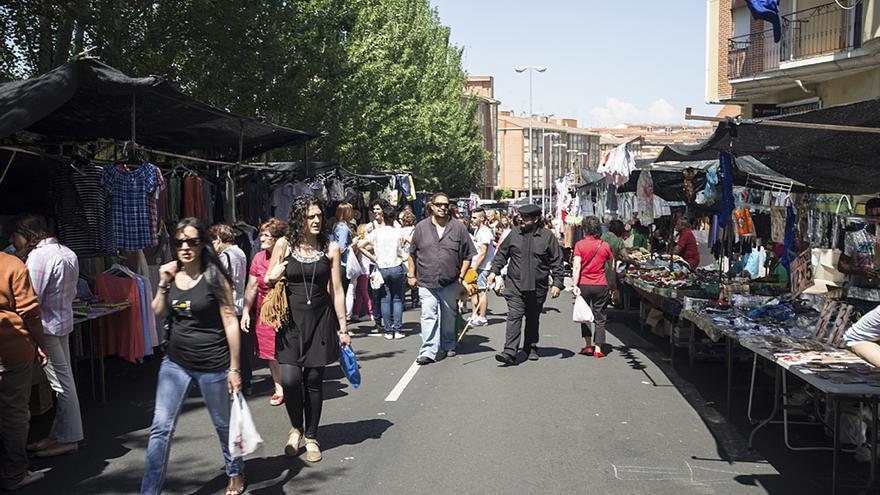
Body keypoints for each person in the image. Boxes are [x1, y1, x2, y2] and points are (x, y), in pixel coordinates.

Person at [142, 218, 244, 495]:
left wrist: (234, 368)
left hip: (213, 363)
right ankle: (149, 491)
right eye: (179, 242)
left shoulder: (214, 276)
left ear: (202, 244)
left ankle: (234, 470)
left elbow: (230, 321)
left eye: (192, 241)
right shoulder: (172, 274)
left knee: (223, 425)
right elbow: (159, 311)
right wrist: (163, 283)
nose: (185, 247)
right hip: (175, 362)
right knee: (160, 428)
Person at [265, 196, 351, 463]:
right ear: (299, 218)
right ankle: (296, 427)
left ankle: (311, 436)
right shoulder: (283, 245)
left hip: (321, 320)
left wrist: (343, 327)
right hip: (290, 321)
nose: (316, 220)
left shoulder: (331, 247)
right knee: (290, 380)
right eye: (310, 216)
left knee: (314, 381)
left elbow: (337, 290)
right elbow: (268, 279)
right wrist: (275, 273)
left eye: (319, 216)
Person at [8, 215, 82, 458]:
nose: (13, 241)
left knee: (62, 384)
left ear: (28, 234)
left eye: (15, 235)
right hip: (62, 323)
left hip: (47, 328)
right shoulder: (67, 252)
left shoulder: (40, 257)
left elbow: (31, 299)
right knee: (65, 380)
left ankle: (69, 438)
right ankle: (59, 434)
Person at [488, 204, 564, 365]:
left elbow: (557, 261)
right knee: (514, 316)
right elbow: (502, 254)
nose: (521, 220)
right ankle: (509, 351)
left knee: (532, 318)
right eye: (521, 217)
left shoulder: (547, 236)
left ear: (536, 219)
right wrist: (494, 271)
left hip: (538, 287)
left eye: (526, 218)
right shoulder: (513, 234)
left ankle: (531, 347)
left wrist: (557, 282)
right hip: (515, 285)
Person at [407, 192, 475, 365]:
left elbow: (468, 255)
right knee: (428, 314)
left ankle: (448, 343)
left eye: (446, 205)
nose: (443, 208)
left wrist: (461, 275)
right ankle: (428, 351)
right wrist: (410, 275)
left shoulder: (458, 228)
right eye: (439, 204)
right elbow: (412, 253)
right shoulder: (421, 227)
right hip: (426, 281)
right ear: (431, 206)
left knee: (448, 316)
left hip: (450, 281)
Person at [0, 251, 48, 491]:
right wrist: (41, 344)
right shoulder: (11, 264)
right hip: (13, 348)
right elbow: (30, 312)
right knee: (15, 412)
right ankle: (15, 472)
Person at [240, 219, 288, 407]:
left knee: (287, 348)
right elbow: (251, 286)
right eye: (262, 234)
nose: (262, 238)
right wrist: (245, 311)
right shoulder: (258, 258)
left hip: (286, 309)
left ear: (277, 239)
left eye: (267, 235)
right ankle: (279, 387)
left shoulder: (287, 256)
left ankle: (292, 382)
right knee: (270, 351)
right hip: (264, 311)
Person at [210, 223, 251, 393]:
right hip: (240, 302)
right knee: (241, 348)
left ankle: (235, 383)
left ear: (219, 239)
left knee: (230, 347)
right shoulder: (240, 252)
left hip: (229, 305)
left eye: (213, 242)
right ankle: (246, 381)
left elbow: (216, 280)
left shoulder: (225, 256)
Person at [359, 205, 407, 340]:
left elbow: (360, 245)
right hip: (397, 266)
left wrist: (373, 257)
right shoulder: (398, 232)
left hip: (382, 267)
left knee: (385, 299)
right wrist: (403, 254)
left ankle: (388, 330)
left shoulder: (376, 232)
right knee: (397, 298)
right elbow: (410, 242)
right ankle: (397, 330)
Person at [571, 216, 615, 358]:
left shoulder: (579, 245)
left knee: (585, 316)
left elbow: (576, 266)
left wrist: (574, 284)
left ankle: (588, 345)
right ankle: (598, 348)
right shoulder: (605, 245)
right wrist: (612, 283)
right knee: (600, 317)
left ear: (584, 229)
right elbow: (612, 266)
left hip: (584, 283)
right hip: (601, 284)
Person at [469, 208, 496, 327]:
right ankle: (475, 314)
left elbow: (483, 253)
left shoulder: (485, 231)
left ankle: (483, 317)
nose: (472, 219)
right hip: (477, 265)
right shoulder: (477, 230)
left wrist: (475, 267)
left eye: (475, 217)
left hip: (483, 266)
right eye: (472, 217)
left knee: (481, 291)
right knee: (474, 291)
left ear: (482, 218)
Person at [330, 202, 354, 294]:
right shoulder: (343, 228)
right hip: (343, 264)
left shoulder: (336, 226)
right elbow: (342, 249)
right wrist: (353, 244)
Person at [399, 209, 419, 308]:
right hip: (413, 256)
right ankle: (415, 301)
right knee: (414, 278)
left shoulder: (400, 231)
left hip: (402, 257)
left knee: (402, 283)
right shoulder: (416, 230)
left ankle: (402, 302)